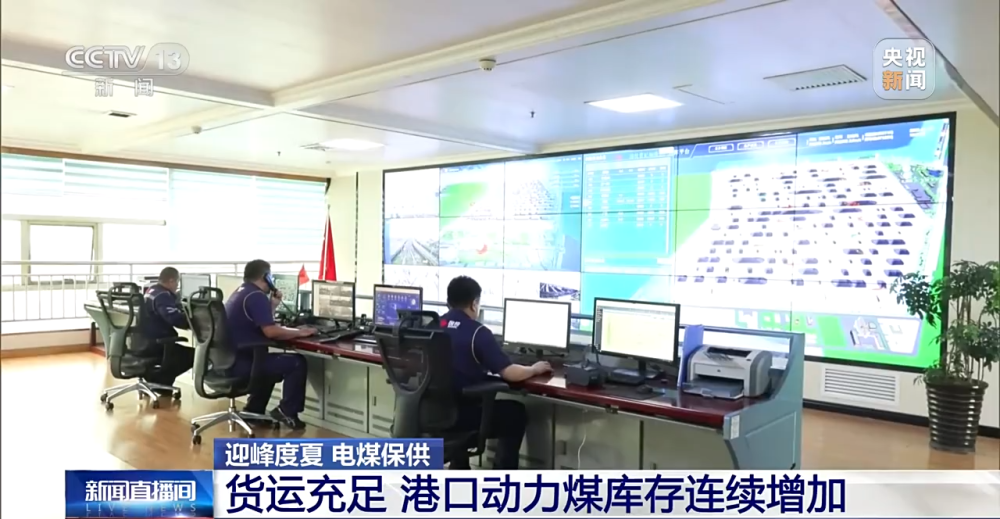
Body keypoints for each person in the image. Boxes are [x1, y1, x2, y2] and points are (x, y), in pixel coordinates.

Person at [439, 275, 552, 469]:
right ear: (474, 304)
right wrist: (534, 368)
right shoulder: (477, 332)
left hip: (431, 412)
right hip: (462, 416)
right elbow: (510, 373)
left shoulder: (433, 325)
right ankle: (501, 476)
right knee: (515, 413)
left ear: (448, 301)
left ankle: (459, 468)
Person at [225, 259, 316, 429]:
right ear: (265, 277)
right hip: (244, 363)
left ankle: (254, 411)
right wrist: (300, 332)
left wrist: (272, 305)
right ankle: (287, 411)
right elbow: (271, 332)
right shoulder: (256, 295)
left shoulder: (242, 291)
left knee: (268, 361)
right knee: (297, 362)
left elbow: (264, 323)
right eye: (271, 277)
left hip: (230, 361)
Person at [139, 267, 195, 391]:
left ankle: (157, 380)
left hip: (145, 341)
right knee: (195, 355)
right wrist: (192, 319)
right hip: (158, 343)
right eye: (177, 282)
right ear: (171, 281)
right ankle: (161, 382)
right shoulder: (163, 295)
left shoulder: (152, 290)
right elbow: (175, 319)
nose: (177, 286)